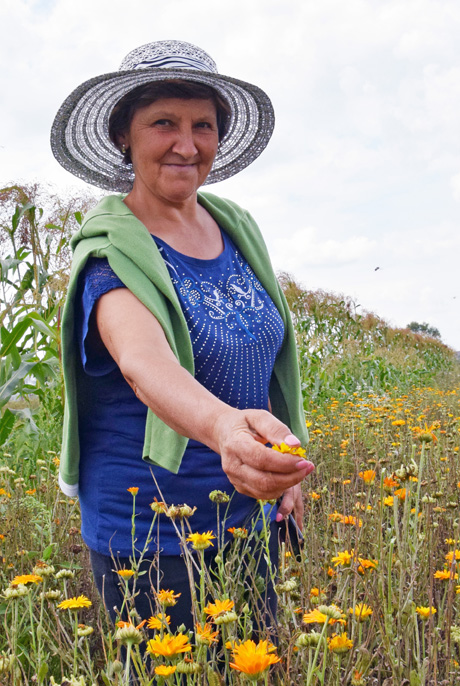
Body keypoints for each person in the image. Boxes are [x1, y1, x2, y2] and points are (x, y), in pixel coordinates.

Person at [51, 40, 313, 632]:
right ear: (124, 134)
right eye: (163, 123)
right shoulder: (111, 250)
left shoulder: (236, 229)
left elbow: (261, 359)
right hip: (152, 534)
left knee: (256, 664)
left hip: (249, 514)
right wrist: (225, 429)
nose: (186, 144)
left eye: (203, 125)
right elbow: (146, 366)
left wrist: (285, 459)